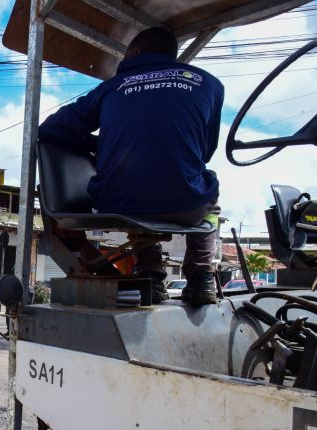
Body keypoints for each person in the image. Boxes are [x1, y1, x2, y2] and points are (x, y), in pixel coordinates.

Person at [38, 27, 223, 306]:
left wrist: (101, 145)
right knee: (212, 204)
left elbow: (51, 129)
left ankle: (150, 272)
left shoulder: (115, 86)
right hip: (187, 202)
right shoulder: (208, 83)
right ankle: (202, 278)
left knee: (134, 188)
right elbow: (205, 152)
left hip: (118, 203)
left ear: (134, 53)